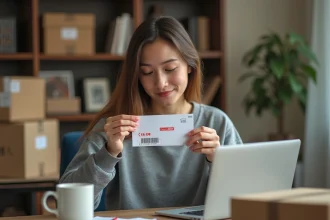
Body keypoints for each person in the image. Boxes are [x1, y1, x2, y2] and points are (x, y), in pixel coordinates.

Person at [59, 16, 243, 211]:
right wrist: (109, 153)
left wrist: (219, 160)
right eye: (147, 72)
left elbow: (246, 199)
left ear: (190, 65)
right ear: (136, 76)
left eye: (170, 69)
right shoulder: (114, 126)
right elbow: (68, 205)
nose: (161, 83)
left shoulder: (217, 122)